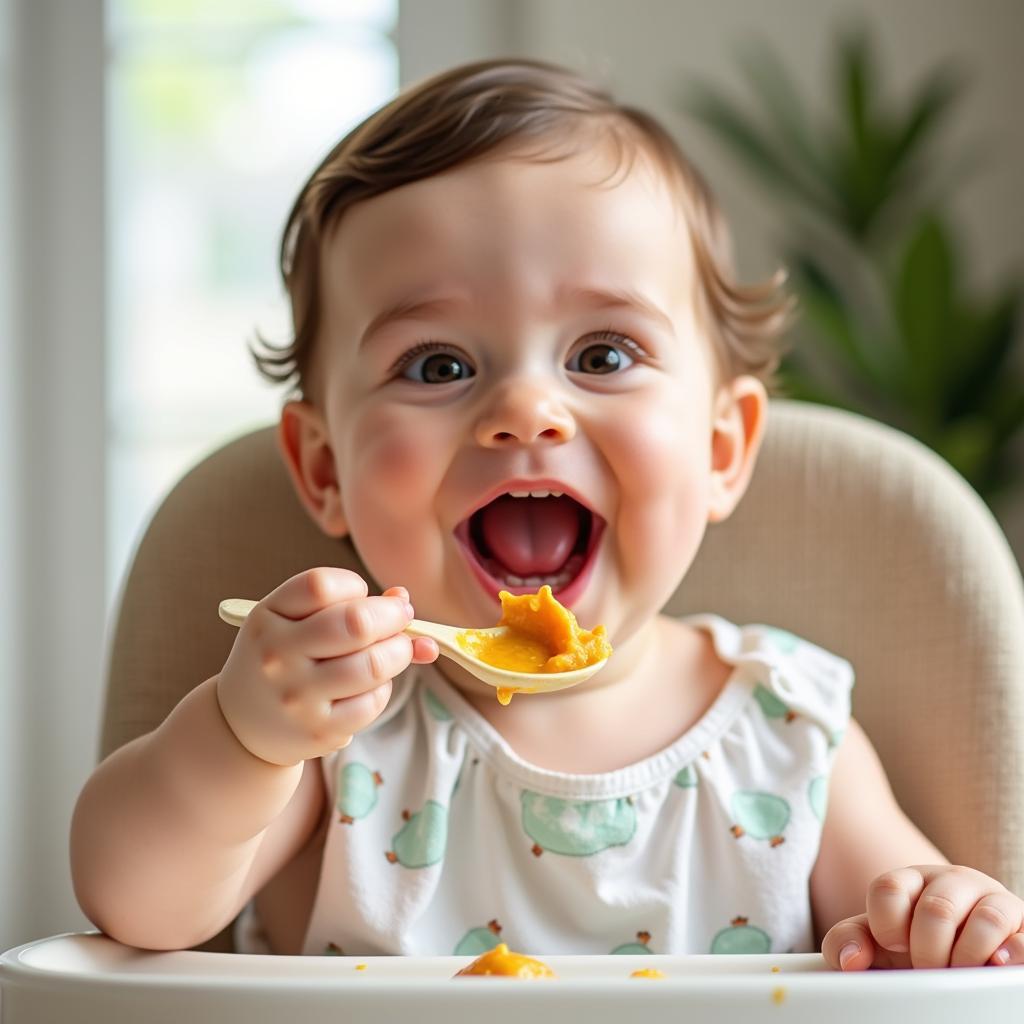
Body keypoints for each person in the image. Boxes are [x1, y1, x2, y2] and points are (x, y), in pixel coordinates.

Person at [71, 58, 1024, 970]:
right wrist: (243, 737)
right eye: (438, 365)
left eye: (603, 355)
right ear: (323, 469)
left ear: (721, 448)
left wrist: (940, 917)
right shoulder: (332, 734)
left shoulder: (786, 729)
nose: (527, 409)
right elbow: (136, 907)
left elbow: (913, 946)